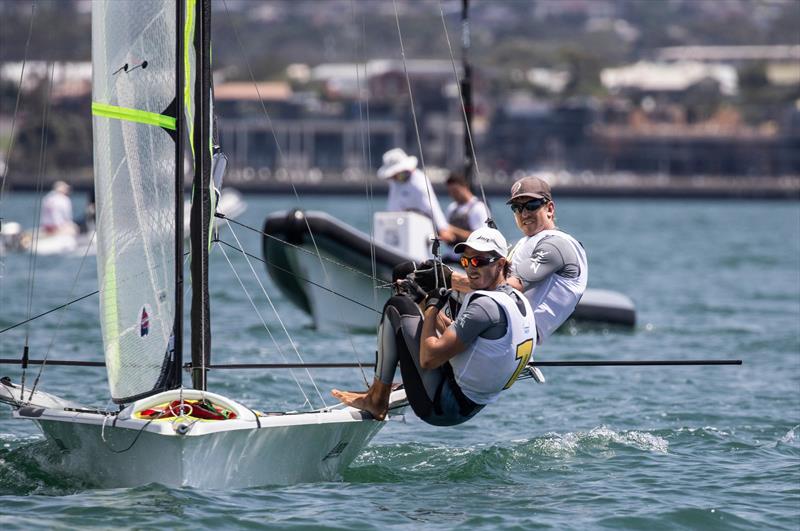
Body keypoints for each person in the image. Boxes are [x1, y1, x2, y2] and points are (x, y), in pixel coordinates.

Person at [332, 227, 535, 425]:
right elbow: (456, 334)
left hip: (444, 407)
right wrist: (423, 300)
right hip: (471, 402)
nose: (471, 268)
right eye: (465, 261)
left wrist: (431, 308)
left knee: (398, 306)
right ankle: (383, 388)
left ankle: (376, 399)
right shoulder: (517, 299)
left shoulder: (485, 306)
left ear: (500, 264)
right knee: (408, 283)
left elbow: (429, 358)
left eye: (478, 261)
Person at [443, 176, 587, 345]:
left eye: (531, 206)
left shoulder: (557, 245)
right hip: (502, 326)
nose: (524, 213)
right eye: (516, 208)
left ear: (550, 209)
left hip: (514, 335)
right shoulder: (526, 242)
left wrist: (448, 279)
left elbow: (506, 289)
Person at [377, 148, 454, 243]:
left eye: (397, 175)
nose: (394, 179)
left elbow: (432, 207)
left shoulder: (419, 182)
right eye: (392, 176)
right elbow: (392, 207)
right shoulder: (395, 183)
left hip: (422, 227)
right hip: (402, 228)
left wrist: (443, 228)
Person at [444, 172, 490, 244]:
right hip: (450, 254)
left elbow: (482, 237)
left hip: (471, 254)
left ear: (465, 187)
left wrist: (453, 230)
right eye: (450, 192)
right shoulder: (451, 208)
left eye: (455, 191)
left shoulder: (479, 208)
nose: (453, 195)